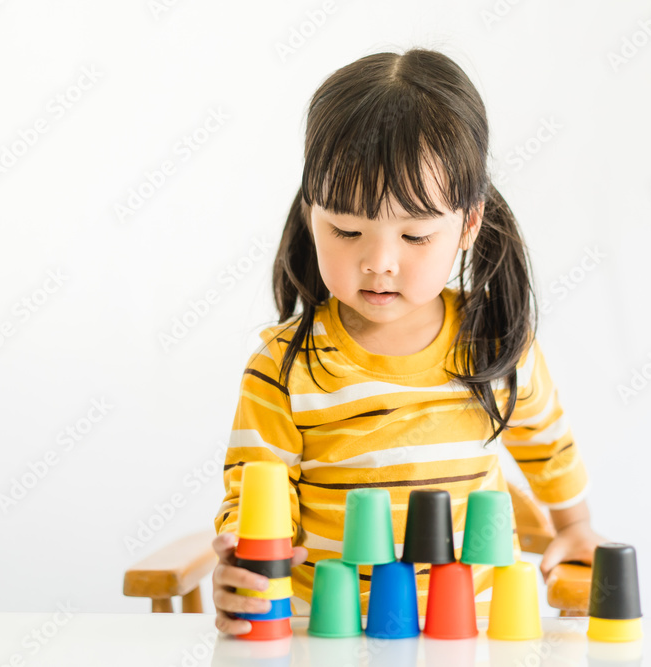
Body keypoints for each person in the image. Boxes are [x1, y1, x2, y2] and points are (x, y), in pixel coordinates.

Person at [211, 47, 607, 637]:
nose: (379, 262)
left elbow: (547, 442)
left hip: (465, 640)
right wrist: (242, 570)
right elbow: (256, 490)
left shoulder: (494, 345)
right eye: (346, 230)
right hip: (327, 639)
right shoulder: (283, 367)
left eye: (416, 235)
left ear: (468, 225)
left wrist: (574, 524)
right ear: (309, 212)